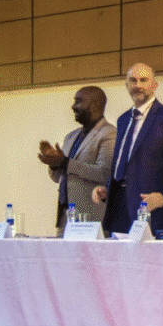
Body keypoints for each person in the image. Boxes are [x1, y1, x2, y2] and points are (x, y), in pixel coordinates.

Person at [93, 63, 163, 234]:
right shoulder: (123, 120)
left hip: (154, 213)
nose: (138, 85)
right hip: (119, 210)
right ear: (127, 85)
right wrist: (109, 189)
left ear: (154, 85)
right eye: (133, 80)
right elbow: (126, 163)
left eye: (143, 80)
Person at [38, 86, 115, 231]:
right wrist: (54, 165)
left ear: (95, 104)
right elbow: (58, 178)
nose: (73, 106)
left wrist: (65, 162)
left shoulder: (109, 134)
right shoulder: (70, 137)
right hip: (65, 219)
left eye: (79, 101)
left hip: (92, 221)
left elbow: (105, 173)